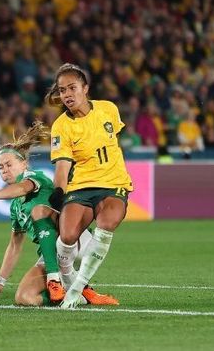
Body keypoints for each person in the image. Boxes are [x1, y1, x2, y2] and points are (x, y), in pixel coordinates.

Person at [0, 122, 117, 306]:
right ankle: (80, 296)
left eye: (9, 164)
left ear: (23, 163)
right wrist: (0, 282)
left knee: (39, 211)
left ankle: (55, 280)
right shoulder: (15, 207)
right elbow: (14, 246)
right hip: (51, 255)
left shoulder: (35, 177)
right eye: (0, 167)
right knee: (24, 298)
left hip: (73, 241)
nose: (5, 170)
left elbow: (22, 188)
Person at [46, 63, 131, 308]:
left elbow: (113, 144)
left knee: (107, 223)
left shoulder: (109, 110)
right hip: (82, 186)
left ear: (85, 88)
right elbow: (62, 166)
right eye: (62, 91)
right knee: (68, 235)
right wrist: (59, 191)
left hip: (114, 183)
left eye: (72, 88)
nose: (67, 95)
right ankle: (68, 278)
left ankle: (77, 289)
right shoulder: (61, 125)